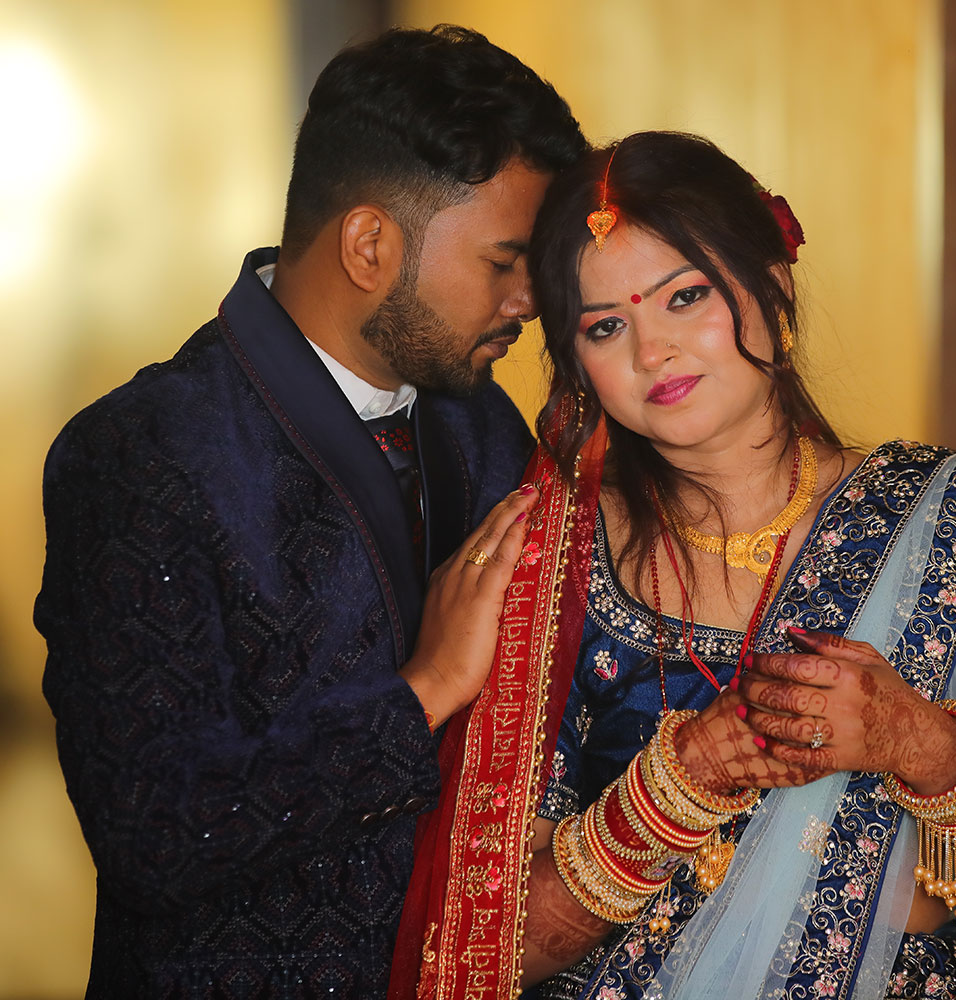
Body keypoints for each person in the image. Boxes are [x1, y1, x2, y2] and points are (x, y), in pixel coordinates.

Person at [34, 25, 587, 997]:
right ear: (369, 245)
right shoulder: (138, 451)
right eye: (504, 261)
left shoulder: (482, 423)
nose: (530, 299)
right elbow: (153, 834)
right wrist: (424, 692)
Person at [391, 132, 956, 1000]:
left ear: (773, 287)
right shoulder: (549, 570)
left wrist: (923, 744)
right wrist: (684, 782)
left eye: (685, 297)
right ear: (577, 368)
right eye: (607, 326)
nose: (653, 352)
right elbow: (480, 952)